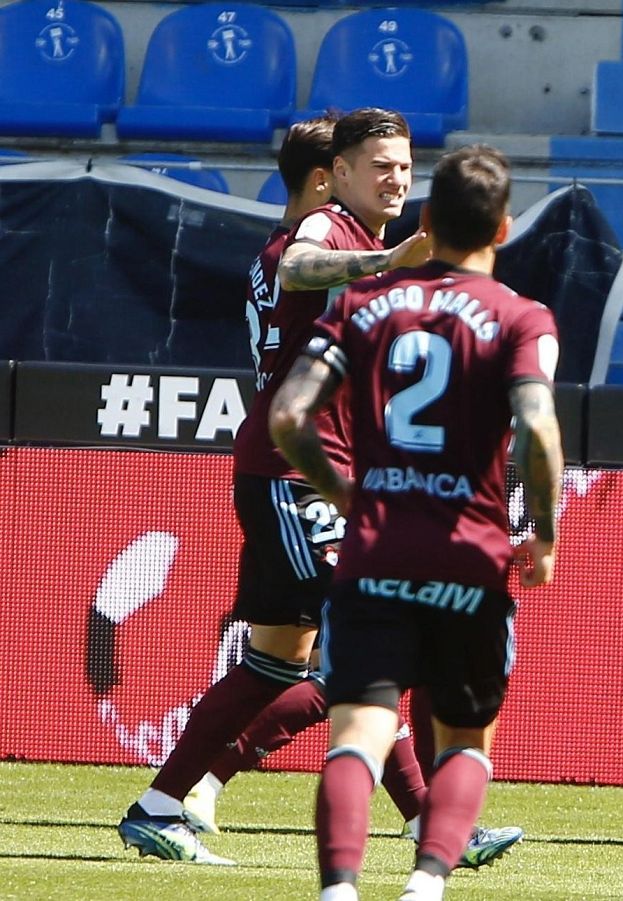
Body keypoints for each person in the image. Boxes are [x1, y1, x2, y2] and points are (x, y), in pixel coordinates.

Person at [116, 108, 443, 866]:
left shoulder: (355, 236)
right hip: (295, 474)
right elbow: (299, 266)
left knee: (273, 664)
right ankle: (426, 817)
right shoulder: (330, 230)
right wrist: (386, 263)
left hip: (307, 470)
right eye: (382, 165)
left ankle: (165, 801)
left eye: (406, 166)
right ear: (336, 175)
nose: (398, 179)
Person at [269, 143, 563, 901]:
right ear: (503, 230)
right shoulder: (523, 318)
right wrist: (547, 535)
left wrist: (343, 491)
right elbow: (539, 430)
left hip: (375, 551)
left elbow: (290, 415)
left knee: (358, 733)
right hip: (469, 554)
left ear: (427, 220)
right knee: (464, 737)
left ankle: (339, 889)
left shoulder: (360, 305)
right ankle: (427, 883)